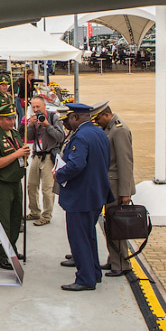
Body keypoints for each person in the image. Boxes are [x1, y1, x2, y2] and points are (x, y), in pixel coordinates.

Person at [54, 103, 112, 291]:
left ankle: (85, 278)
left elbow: (77, 164)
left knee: (79, 237)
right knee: (89, 236)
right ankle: (94, 272)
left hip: (81, 196)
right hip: (96, 193)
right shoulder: (99, 133)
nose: (68, 122)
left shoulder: (81, 137)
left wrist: (59, 175)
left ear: (76, 118)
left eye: (70, 118)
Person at [0, 103, 30, 270]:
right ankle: (0, 256)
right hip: (1, 183)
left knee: (16, 219)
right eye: (8, 119)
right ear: (0, 119)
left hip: (15, 181)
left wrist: (24, 153)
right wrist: (17, 154)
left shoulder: (15, 133)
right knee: (3, 221)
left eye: (13, 118)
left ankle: (11, 249)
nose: (12, 122)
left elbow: (19, 152)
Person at [92, 102, 135, 278]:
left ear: (105, 114)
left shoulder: (119, 130)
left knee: (117, 226)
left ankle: (122, 263)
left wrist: (126, 192)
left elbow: (125, 162)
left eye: (98, 119)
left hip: (117, 185)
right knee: (110, 224)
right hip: (110, 184)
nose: (97, 122)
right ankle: (114, 259)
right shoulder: (110, 129)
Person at [25, 95, 65, 226]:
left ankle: (46, 215)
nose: (36, 110)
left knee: (47, 188)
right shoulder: (34, 120)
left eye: (38, 107)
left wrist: (47, 125)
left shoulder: (54, 118)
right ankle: (34, 211)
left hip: (49, 156)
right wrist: (30, 125)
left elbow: (60, 137)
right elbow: (28, 138)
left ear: (44, 106)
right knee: (31, 185)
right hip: (36, 155)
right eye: (34, 107)